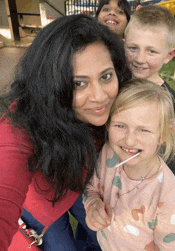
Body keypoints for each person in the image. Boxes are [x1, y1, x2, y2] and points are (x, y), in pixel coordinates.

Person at [0, 14, 130, 251]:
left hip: (78, 191)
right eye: (78, 83)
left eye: (106, 76)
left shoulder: (119, 99)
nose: (100, 96)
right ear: (51, 85)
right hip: (38, 213)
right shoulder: (21, 126)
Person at [83, 78, 175, 250]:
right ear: (107, 124)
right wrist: (93, 205)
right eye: (120, 126)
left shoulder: (169, 194)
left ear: (163, 135)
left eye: (143, 130)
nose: (129, 140)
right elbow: (91, 188)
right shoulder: (109, 154)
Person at [123, 4, 175, 175]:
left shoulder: (171, 101)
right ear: (123, 44)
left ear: (169, 55)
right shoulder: (115, 83)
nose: (140, 59)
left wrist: (151, 181)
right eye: (133, 48)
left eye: (152, 51)